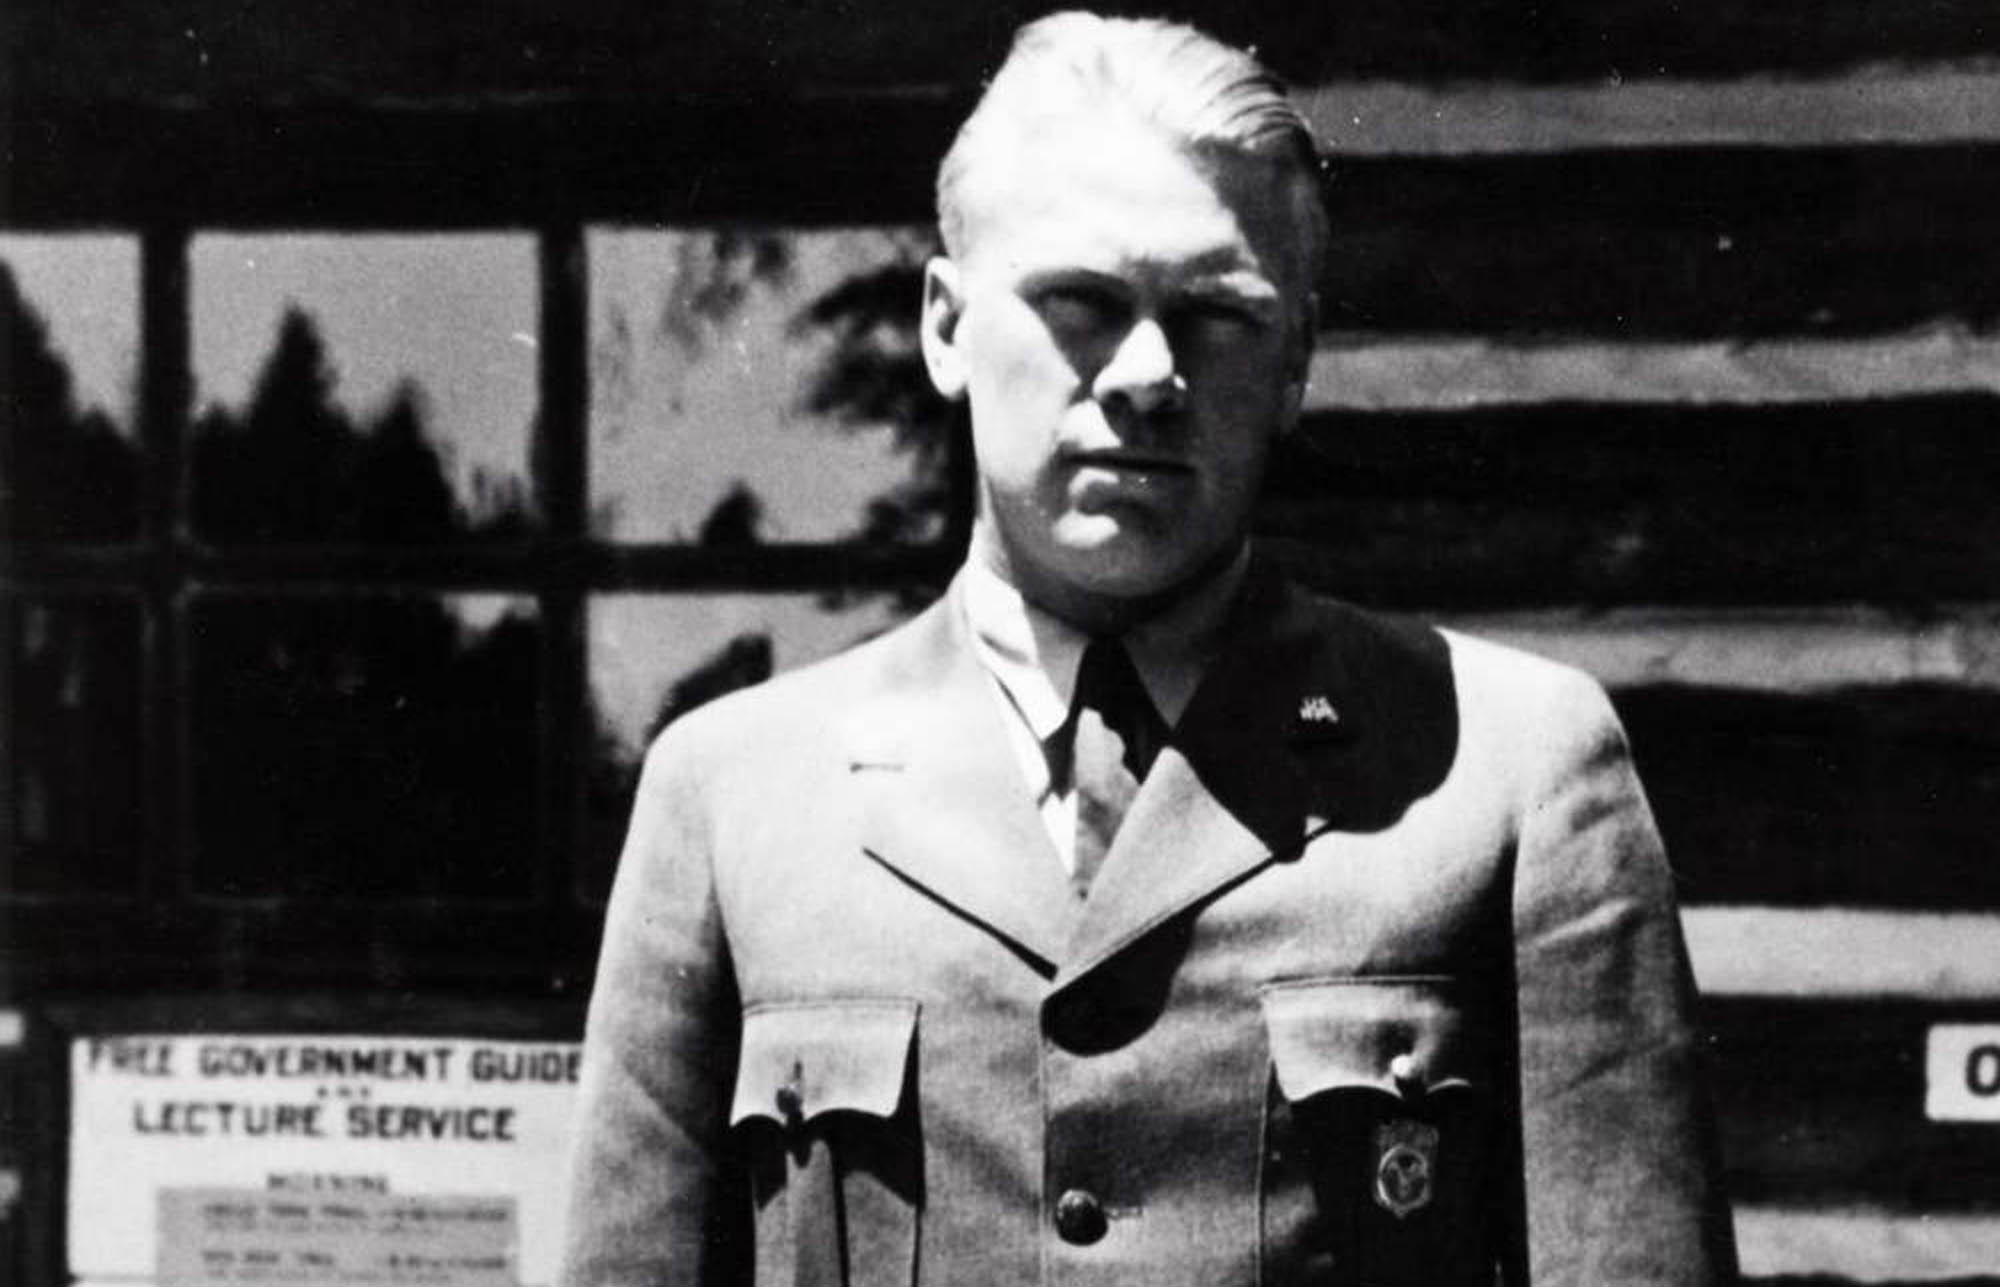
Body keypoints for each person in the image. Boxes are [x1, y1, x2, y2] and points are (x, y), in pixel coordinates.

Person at [560, 12, 1737, 1286]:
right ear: (947, 330)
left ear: (1294, 362)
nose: (1144, 372)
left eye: (1217, 315)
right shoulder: (734, 794)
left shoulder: (1505, 771)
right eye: (1079, 300)